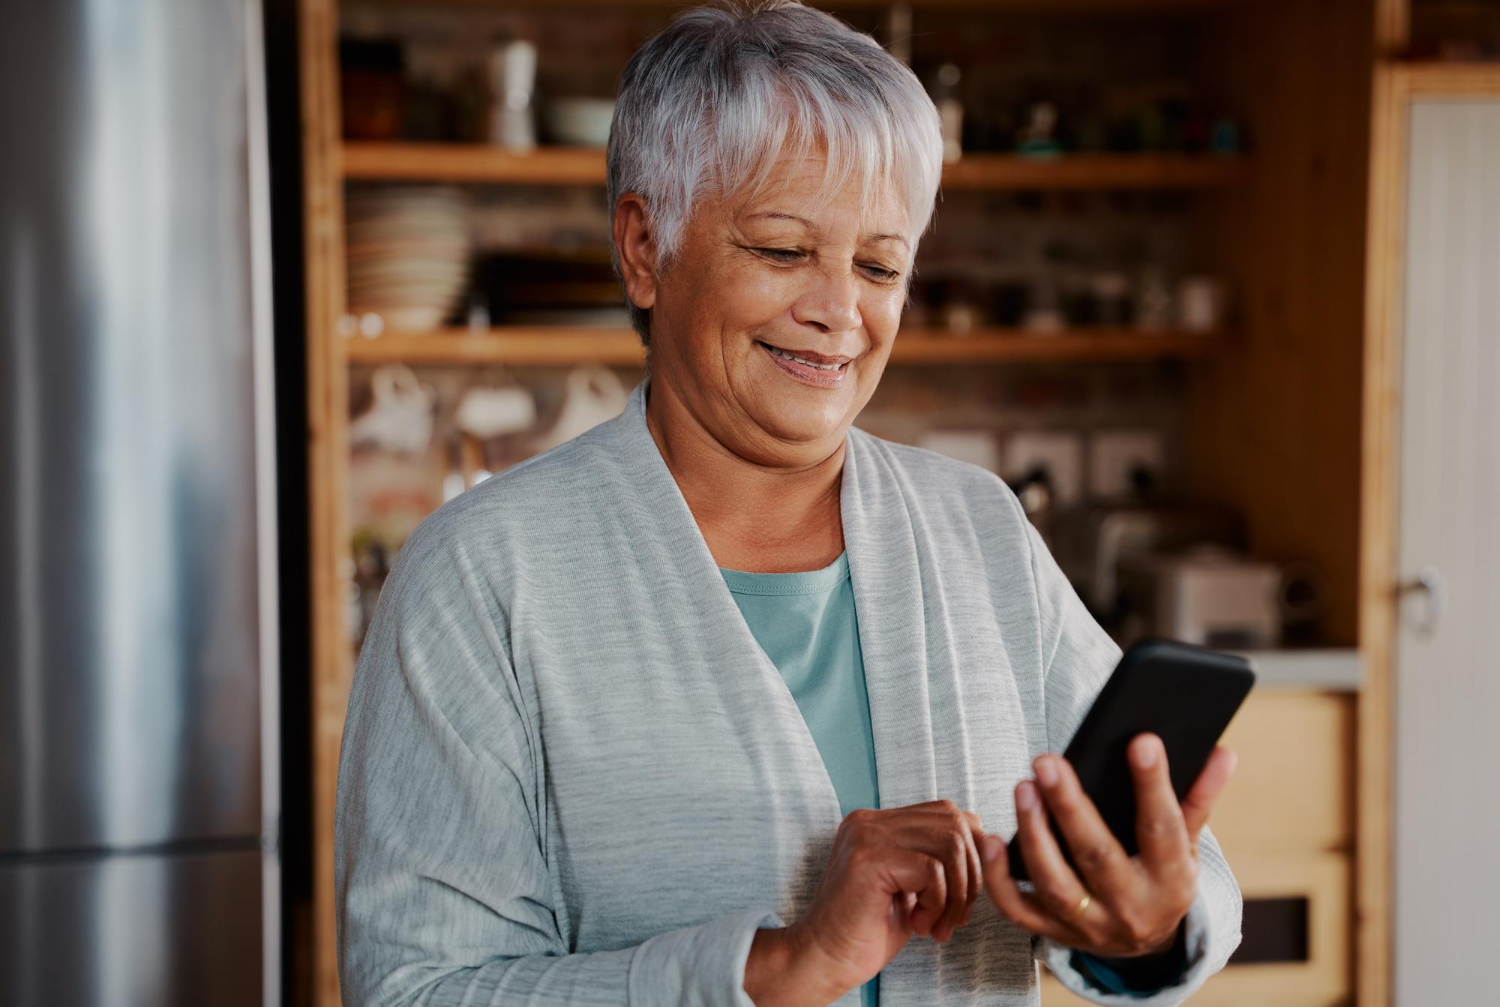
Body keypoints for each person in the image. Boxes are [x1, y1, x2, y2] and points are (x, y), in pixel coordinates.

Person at [333, 2, 1243, 1004]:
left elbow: (1165, 874)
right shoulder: (481, 577)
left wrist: (1150, 916)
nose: (839, 311)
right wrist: (778, 965)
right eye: (780, 249)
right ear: (643, 246)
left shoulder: (978, 531)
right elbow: (416, 987)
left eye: (879, 265)